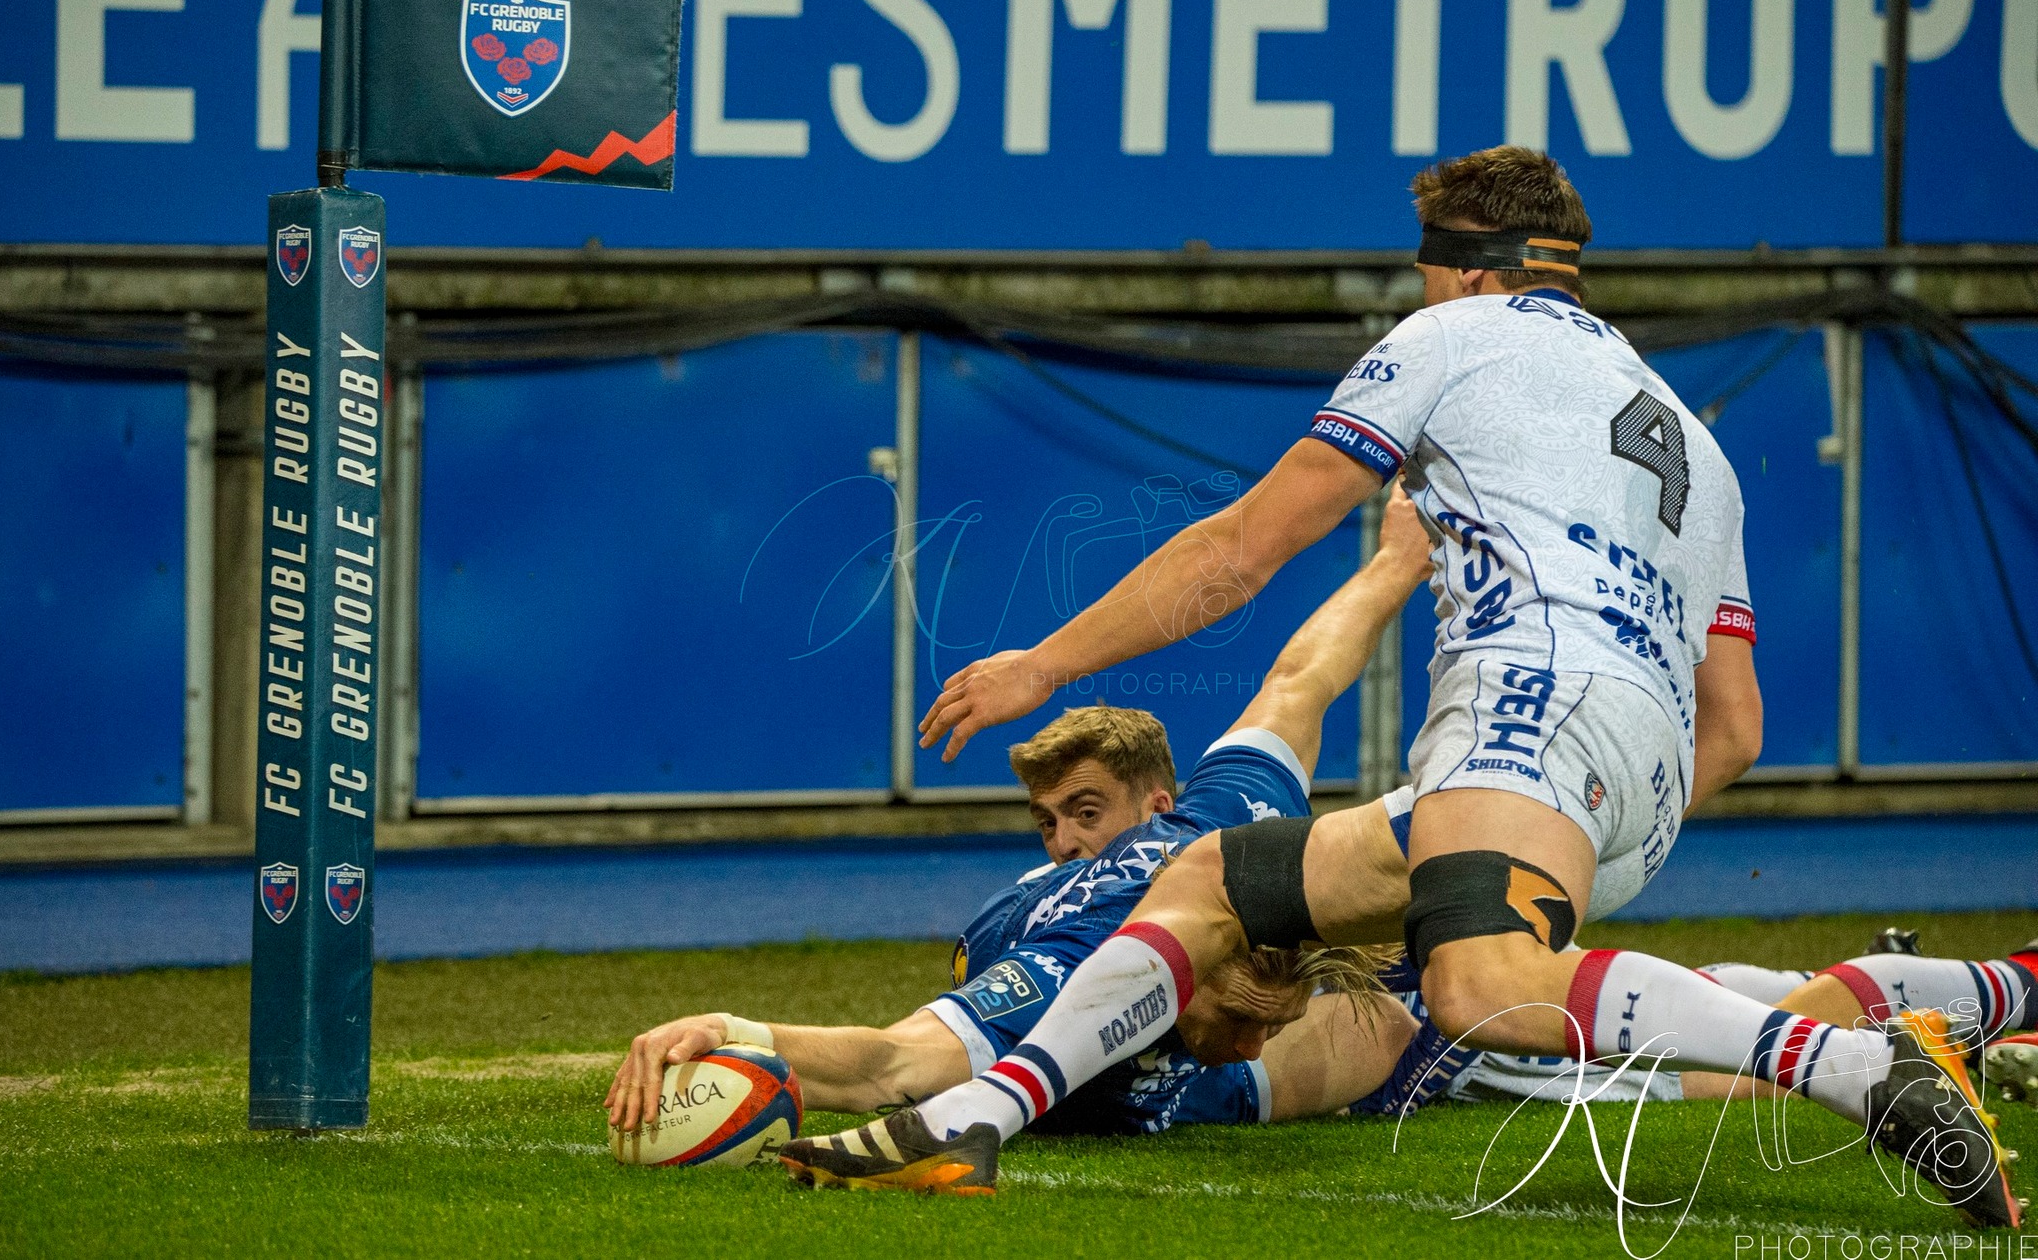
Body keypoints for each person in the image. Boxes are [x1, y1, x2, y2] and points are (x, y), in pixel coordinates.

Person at [780, 146, 2023, 1229]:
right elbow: (1736, 727)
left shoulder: (1452, 335)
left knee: (1480, 991)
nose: (1417, 296)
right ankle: (976, 1117)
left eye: (1424, 273)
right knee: (1209, 878)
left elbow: (1237, 552)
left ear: (1466, 268)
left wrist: (1042, 664)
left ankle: (1854, 1065)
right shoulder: (1697, 447)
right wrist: (1571, 815)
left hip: (1528, 700)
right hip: (1634, 778)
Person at [606, 497, 1440, 1142]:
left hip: (1164, 1005)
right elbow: (887, 1065)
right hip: (1058, 995)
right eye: (1242, 1017)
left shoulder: (1237, 824)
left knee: (1399, 1016)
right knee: (1389, 1035)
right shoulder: (1064, 967)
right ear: (1191, 955)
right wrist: (730, 1029)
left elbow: (1300, 682)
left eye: (1268, 1021)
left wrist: (1398, 561)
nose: (1253, 1039)